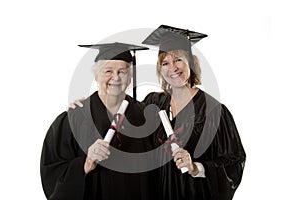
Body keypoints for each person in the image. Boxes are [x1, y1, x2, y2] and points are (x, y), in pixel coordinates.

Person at [141, 25, 246, 200]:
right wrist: (85, 104)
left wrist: (196, 168)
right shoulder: (154, 103)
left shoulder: (213, 111)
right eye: (165, 63)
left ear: (191, 62)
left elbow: (235, 161)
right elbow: (125, 117)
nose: (172, 68)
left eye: (178, 60)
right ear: (160, 70)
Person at [40, 42, 156, 200]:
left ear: (130, 78)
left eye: (122, 71)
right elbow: (52, 170)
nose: (116, 77)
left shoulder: (144, 116)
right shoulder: (75, 118)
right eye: (108, 71)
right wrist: (86, 163)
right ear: (96, 75)